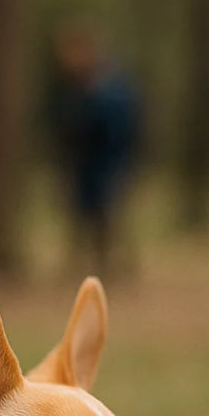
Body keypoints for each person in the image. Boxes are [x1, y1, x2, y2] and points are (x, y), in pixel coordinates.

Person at [47, 20, 141, 276]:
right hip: (84, 167)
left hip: (107, 165)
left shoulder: (109, 88)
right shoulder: (77, 89)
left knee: (108, 219)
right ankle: (83, 268)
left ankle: (113, 269)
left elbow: (120, 129)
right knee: (82, 219)